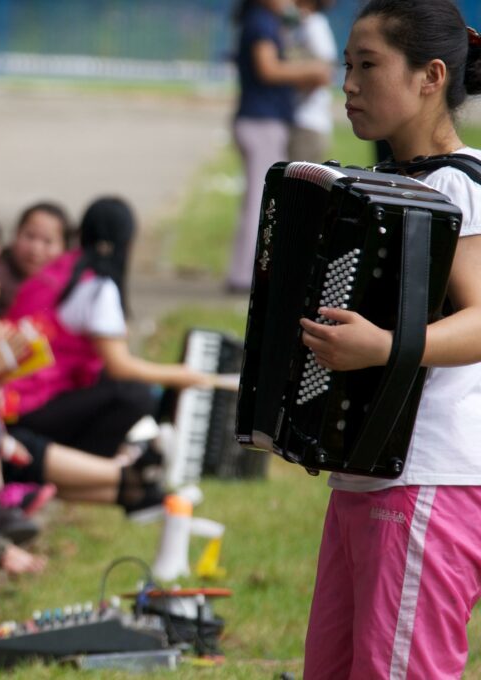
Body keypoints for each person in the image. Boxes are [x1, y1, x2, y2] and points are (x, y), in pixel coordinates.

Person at [299, 2, 481, 678]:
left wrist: (384, 347)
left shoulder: (458, 184)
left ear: (431, 75)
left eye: (368, 65)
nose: (348, 84)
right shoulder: (393, 183)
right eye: (347, 65)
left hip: (427, 476)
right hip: (369, 476)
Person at [4, 198, 217, 458]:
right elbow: (120, 365)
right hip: (26, 407)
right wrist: (179, 374)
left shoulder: (60, 268)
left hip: (10, 396)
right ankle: (83, 464)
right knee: (134, 395)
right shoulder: (99, 287)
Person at [226, 0, 332, 292]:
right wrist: (310, 70)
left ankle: (246, 272)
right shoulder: (261, 21)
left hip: (262, 121)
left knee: (259, 200)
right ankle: (243, 276)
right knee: (260, 203)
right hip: (261, 121)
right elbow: (268, 69)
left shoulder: (264, 20)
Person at [0, 202, 71, 317]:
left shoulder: (70, 284)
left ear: (65, 248)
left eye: (47, 241)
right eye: (30, 236)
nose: (36, 249)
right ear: (16, 234)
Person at [287, 0, 338, 162]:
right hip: (301, 120)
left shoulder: (315, 25)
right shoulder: (303, 24)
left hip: (309, 121)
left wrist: (290, 79)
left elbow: (326, 72)